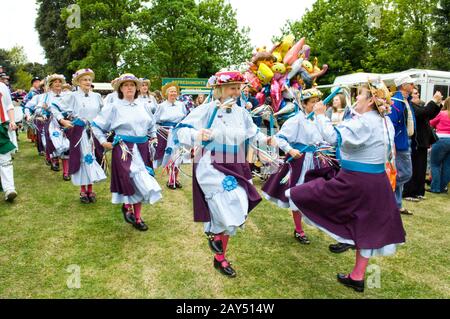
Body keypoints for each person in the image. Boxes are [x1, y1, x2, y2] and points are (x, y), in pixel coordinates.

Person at [286, 81, 406, 293]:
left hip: (357, 179)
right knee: (367, 227)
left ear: (370, 100)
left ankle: (292, 200)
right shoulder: (384, 121)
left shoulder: (365, 122)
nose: (356, 99)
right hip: (376, 181)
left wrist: (321, 115)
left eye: (359, 95)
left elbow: (333, 138)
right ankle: (357, 276)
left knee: (304, 194)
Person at [172, 71, 269, 278]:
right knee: (226, 200)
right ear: (219, 89)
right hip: (211, 161)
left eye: (238, 88)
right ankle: (216, 244)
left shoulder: (242, 113)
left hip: (236, 162)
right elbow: (180, 131)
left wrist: (268, 140)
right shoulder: (207, 110)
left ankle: (218, 253)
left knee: (237, 207)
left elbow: (253, 132)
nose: (236, 92)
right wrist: (197, 134)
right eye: (232, 88)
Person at [262, 88, 337, 245]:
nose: (316, 105)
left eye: (318, 101)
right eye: (313, 102)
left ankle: (321, 222)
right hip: (300, 161)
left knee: (320, 193)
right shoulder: (296, 120)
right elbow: (280, 137)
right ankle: (299, 229)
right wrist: (291, 149)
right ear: (304, 104)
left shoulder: (320, 119)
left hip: (318, 160)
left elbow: (328, 138)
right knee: (298, 194)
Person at [92, 73, 162, 231]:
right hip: (123, 148)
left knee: (142, 180)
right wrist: (103, 141)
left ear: (137, 88)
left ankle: (137, 217)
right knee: (129, 177)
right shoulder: (114, 106)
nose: (129, 87)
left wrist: (153, 138)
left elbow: (151, 125)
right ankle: (127, 205)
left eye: (132, 85)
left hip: (142, 148)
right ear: (120, 89)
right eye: (126, 85)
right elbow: (97, 125)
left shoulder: (143, 105)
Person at [51, 68, 107, 203]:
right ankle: (83, 190)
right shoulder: (73, 96)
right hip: (79, 132)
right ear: (78, 82)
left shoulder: (97, 96)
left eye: (89, 80)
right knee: (82, 159)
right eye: (84, 80)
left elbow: (104, 113)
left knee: (93, 157)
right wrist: (62, 120)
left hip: (94, 132)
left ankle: (91, 189)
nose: (87, 82)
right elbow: (54, 106)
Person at [403, 89, 443, 201]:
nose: (418, 94)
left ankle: (419, 191)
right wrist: (433, 101)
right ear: (410, 96)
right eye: (415, 93)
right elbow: (424, 112)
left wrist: (437, 103)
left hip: (422, 141)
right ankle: (409, 192)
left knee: (421, 168)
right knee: (414, 168)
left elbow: (429, 114)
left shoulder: (417, 106)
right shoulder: (410, 107)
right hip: (415, 141)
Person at [388, 75, 416, 215]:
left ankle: (397, 204)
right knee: (405, 174)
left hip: (405, 141)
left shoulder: (405, 101)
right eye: (411, 83)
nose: (413, 85)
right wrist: (393, 143)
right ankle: (386, 191)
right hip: (400, 144)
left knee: (400, 173)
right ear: (403, 85)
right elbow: (391, 125)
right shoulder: (396, 102)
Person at [154, 82, 188, 189]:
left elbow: (185, 118)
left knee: (178, 155)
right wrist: (162, 131)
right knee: (169, 155)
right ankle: (171, 179)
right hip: (165, 132)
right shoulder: (161, 106)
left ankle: (175, 179)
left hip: (178, 132)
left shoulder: (181, 105)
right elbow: (155, 121)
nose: (173, 93)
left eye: (175, 91)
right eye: (171, 91)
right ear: (166, 93)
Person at [41, 74, 70, 178]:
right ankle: (54, 160)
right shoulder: (47, 96)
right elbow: (41, 108)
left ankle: (66, 172)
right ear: (51, 85)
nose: (58, 83)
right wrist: (44, 111)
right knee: (55, 144)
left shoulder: (67, 95)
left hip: (67, 122)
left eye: (59, 82)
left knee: (67, 146)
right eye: (55, 82)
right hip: (53, 123)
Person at [0, 81, 18, 202]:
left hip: (1, 126)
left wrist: (12, 121)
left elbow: (9, 105)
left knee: (5, 157)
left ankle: (9, 189)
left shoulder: (2, 86)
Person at [428, 97, 450, 194]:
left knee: (435, 164)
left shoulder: (442, 113)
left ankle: (435, 188)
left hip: (441, 139)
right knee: (447, 166)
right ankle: (442, 187)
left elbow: (431, 123)